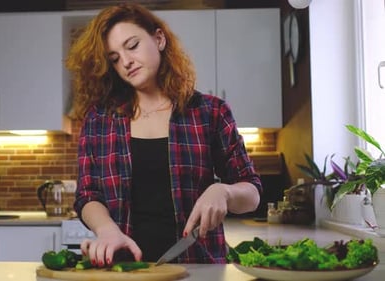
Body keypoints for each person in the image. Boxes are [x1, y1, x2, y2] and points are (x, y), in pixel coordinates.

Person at [66, 3, 262, 266]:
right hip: (125, 269)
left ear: (159, 39)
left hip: (199, 268)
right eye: (114, 58)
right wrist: (106, 230)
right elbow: (87, 196)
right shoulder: (99, 119)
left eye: (132, 45)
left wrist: (223, 192)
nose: (126, 62)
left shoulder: (210, 112)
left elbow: (252, 194)